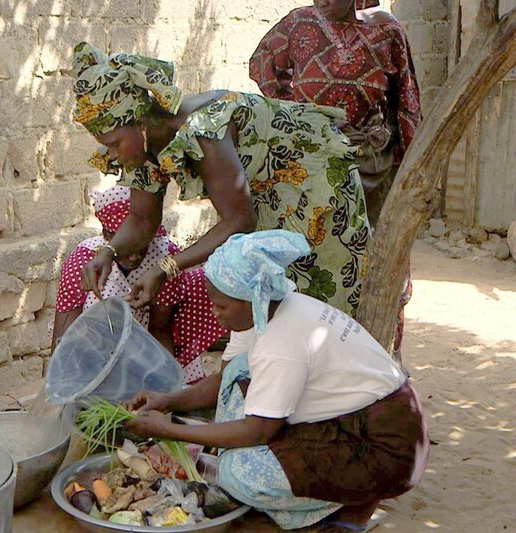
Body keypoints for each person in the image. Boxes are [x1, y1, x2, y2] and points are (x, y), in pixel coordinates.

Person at [124, 230, 429, 532]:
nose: (215, 314)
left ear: (249, 299)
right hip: (345, 420)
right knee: (237, 371)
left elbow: (257, 431)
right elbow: (225, 381)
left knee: (236, 473)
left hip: (384, 448)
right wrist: (168, 400)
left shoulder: (280, 342)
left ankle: (343, 504)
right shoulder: (265, 310)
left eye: (222, 306)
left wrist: (169, 430)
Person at [71, 42, 370, 320]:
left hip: (315, 178)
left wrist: (166, 269)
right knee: (277, 304)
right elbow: (141, 219)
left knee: (321, 303)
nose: (112, 155)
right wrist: (108, 253)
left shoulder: (203, 129)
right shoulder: (145, 150)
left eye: (114, 144)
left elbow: (240, 221)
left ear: (140, 122)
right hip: (264, 195)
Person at [249, 0, 422, 361]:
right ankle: (314, 356)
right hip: (315, 166)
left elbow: (406, 101)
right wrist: (300, 115)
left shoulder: (387, 31)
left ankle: (380, 356)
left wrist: (411, 168)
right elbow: (261, 63)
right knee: (316, 257)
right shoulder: (298, 23)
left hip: (373, 166)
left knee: (378, 257)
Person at [51, 184, 226, 383]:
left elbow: (160, 328)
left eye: (142, 245)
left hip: (146, 340)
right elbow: (63, 339)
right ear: (107, 236)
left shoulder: (165, 257)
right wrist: (59, 384)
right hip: (94, 349)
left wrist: (165, 379)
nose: (135, 256)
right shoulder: (83, 260)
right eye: (127, 246)